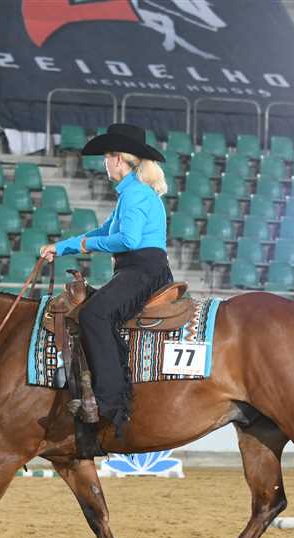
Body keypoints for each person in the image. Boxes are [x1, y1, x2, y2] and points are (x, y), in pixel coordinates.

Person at [40, 124, 172, 452]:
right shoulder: (132, 193)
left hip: (143, 269)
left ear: (119, 159)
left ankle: (109, 401)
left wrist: (83, 245)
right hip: (139, 268)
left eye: (107, 157)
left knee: (95, 315)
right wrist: (62, 247)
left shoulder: (135, 193)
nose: (104, 163)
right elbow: (105, 231)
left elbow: (128, 240)